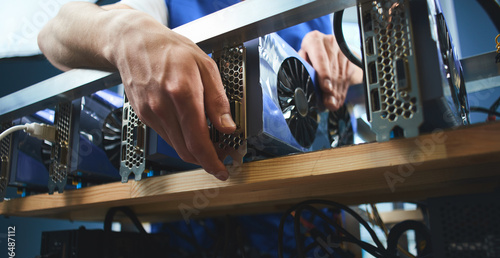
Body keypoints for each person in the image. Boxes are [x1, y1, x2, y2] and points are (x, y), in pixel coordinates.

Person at [38, 0, 363, 181]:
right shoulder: (168, 5)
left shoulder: (316, 14)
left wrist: (349, 60)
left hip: (319, 230)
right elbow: (54, 35)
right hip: (205, 235)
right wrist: (123, 34)